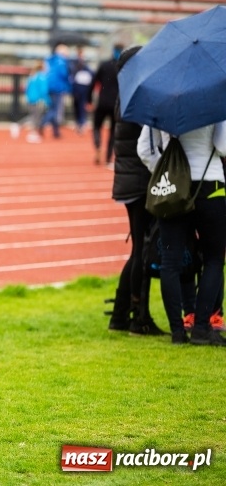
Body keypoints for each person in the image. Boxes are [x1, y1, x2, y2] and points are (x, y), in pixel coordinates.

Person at [137, 121, 226, 346]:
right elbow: (222, 146)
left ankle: (177, 332)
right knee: (214, 259)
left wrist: (167, 171)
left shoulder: (160, 100)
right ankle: (201, 328)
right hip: (211, 184)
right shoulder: (215, 97)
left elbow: (144, 149)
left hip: (173, 188)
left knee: (171, 261)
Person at [106, 46, 164, 335]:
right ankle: (136, 317)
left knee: (139, 249)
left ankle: (122, 315)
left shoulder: (125, 94)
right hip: (139, 181)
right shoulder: (136, 97)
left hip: (130, 181)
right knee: (142, 249)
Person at [88, 44, 123, 166]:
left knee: (96, 126)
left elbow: (93, 82)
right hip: (116, 104)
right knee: (113, 131)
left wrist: (88, 100)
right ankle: (108, 158)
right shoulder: (123, 67)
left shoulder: (104, 65)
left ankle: (98, 145)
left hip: (102, 102)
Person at [13, 60, 50, 144]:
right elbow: (43, 91)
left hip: (30, 99)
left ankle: (20, 126)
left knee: (33, 116)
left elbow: (27, 88)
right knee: (36, 118)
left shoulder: (33, 75)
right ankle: (31, 133)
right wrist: (47, 101)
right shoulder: (41, 76)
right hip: (37, 100)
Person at [42, 44, 71, 140]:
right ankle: (42, 124)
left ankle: (56, 131)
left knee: (53, 108)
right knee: (55, 110)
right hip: (58, 88)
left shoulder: (51, 60)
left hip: (50, 87)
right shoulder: (61, 61)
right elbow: (64, 74)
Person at [69, 46, 93, 135]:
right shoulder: (74, 63)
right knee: (76, 106)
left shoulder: (85, 64)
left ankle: (82, 123)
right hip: (76, 88)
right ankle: (78, 123)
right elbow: (72, 73)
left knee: (82, 106)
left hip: (84, 89)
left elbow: (91, 73)